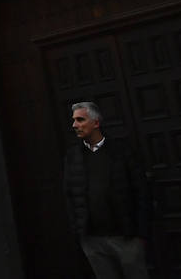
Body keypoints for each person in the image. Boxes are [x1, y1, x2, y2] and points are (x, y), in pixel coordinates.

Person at [62, 101, 151, 279]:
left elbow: (141, 190)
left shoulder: (121, 151)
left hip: (125, 236)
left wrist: (139, 232)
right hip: (93, 239)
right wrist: (79, 231)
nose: (75, 125)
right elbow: (69, 195)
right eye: (74, 120)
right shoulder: (73, 157)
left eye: (80, 120)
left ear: (96, 123)